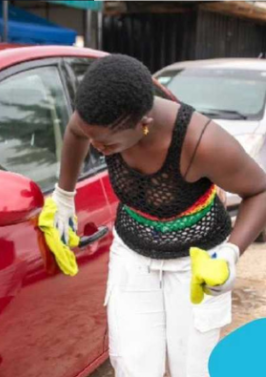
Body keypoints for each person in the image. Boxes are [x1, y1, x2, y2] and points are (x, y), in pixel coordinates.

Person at [52, 54, 266, 377]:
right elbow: (76, 131)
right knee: (133, 365)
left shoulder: (201, 143)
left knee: (193, 368)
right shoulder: (98, 120)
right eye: (93, 137)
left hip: (195, 264)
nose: (97, 148)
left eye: (107, 144)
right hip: (133, 254)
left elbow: (260, 191)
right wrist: (64, 195)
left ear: (144, 125)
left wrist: (231, 253)